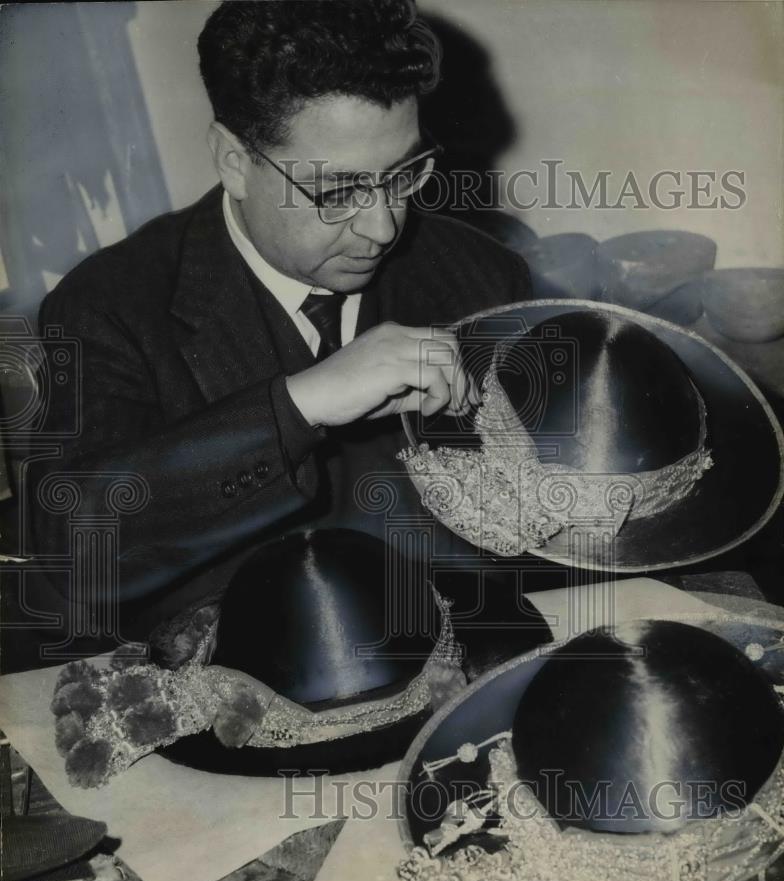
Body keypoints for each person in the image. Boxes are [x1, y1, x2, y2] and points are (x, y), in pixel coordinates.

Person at [14, 0, 531, 669]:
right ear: (234, 159)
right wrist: (298, 407)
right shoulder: (108, 305)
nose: (382, 227)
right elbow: (73, 559)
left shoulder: (483, 275)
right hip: (231, 713)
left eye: (403, 174)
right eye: (338, 190)